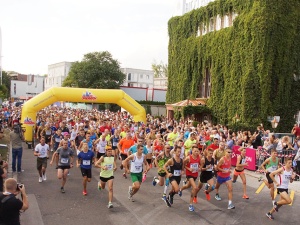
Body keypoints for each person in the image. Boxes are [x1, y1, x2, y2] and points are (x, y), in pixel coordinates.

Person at [179, 146, 201, 212]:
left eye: (197, 151)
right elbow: (183, 164)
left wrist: (200, 168)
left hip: (195, 174)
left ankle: (181, 189)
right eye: (195, 151)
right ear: (192, 151)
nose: (196, 152)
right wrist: (188, 169)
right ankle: (191, 204)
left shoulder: (199, 158)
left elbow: (199, 164)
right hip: (189, 174)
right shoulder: (188, 158)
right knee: (195, 188)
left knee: (188, 186)